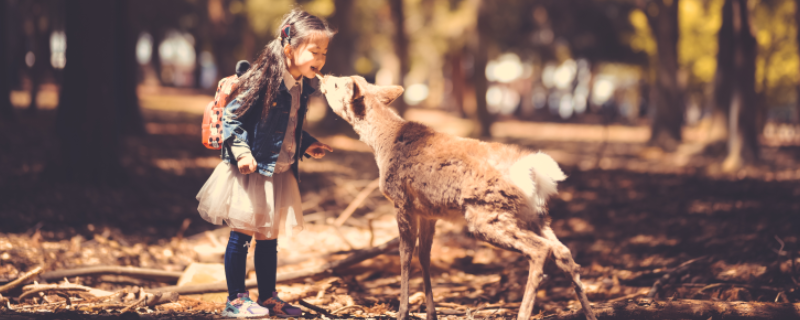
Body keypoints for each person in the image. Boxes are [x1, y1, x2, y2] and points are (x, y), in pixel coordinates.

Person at [196, 9, 334, 318]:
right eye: (315, 51)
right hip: (251, 171)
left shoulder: (303, 85)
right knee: (242, 234)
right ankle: (235, 299)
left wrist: (308, 143)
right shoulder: (263, 79)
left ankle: (268, 296)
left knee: (269, 238)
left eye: (324, 52)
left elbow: (288, 125)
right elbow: (233, 119)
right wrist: (242, 153)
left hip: (278, 171)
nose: (321, 58)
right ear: (289, 48)